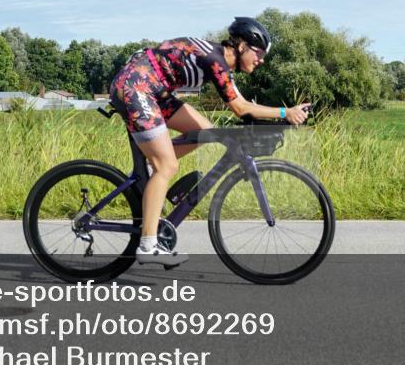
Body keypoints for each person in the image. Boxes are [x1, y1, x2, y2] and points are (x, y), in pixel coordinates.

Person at [108, 17, 310, 266]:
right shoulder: (216, 60)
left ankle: (151, 172)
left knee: (206, 131)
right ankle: (148, 245)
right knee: (168, 166)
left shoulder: (220, 61)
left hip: (154, 89)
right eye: (259, 52)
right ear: (242, 46)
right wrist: (284, 112)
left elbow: (244, 103)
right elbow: (239, 108)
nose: (261, 60)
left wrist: (282, 114)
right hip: (136, 87)